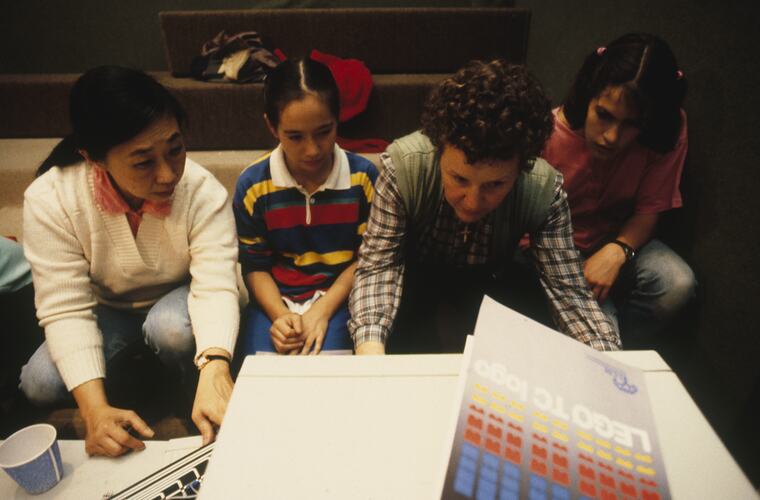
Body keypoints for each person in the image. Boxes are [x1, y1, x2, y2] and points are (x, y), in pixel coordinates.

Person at [20, 66, 240, 456]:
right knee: (39, 383)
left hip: (178, 299)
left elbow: (216, 284)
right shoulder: (50, 198)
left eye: (176, 149)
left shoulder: (201, 190)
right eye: (143, 162)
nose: (168, 174)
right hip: (111, 308)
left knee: (172, 330)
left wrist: (215, 366)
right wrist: (94, 410)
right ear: (93, 157)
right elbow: (65, 308)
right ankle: (133, 371)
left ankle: (182, 380)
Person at [348, 59, 620, 355]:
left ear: (522, 169)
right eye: (459, 179)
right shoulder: (403, 167)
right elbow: (380, 265)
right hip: (413, 279)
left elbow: (569, 293)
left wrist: (607, 362)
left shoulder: (544, 188)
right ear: (439, 150)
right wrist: (370, 353)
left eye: (494, 185)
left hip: (492, 279)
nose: (474, 201)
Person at [542, 33, 696, 343]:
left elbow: (648, 211)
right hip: (550, 248)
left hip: (614, 238)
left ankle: (620, 345)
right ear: (589, 95)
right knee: (598, 334)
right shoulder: (550, 133)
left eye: (631, 124)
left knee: (677, 282)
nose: (611, 137)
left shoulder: (666, 131)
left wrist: (618, 250)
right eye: (603, 115)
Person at [233, 58, 378, 355]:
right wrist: (280, 315)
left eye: (324, 132)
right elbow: (254, 266)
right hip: (276, 298)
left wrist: (322, 311)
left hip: (339, 297)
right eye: (295, 136)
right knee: (261, 375)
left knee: (325, 370)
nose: (312, 149)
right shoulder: (253, 185)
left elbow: (367, 259)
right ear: (272, 127)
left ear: (338, 119)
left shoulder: (363, 178)